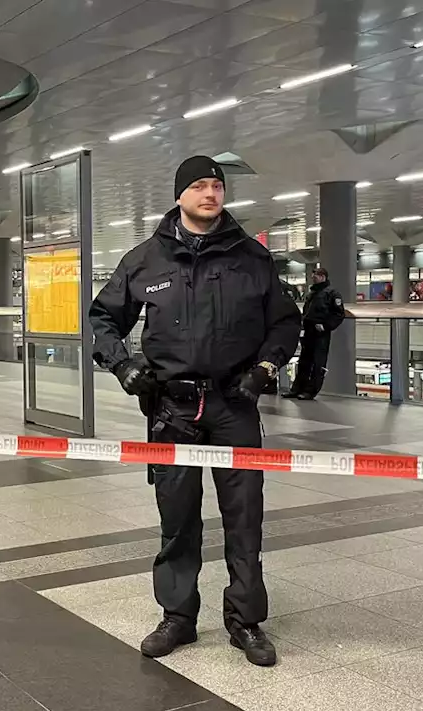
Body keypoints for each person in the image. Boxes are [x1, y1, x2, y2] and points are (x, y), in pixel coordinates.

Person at [89, 155, 301, 667]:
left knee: (244, 516)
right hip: (173, 410)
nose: (211, 194)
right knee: (178, 517)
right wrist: (122, 366)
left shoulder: (251, 258)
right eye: (200, 186)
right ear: (180, 196)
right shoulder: (146, 260)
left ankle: (245, 621)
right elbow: (102, 317)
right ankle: (178, 618)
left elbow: (285, 324)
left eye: (217, 186)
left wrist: (266, 368)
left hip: (235, 404)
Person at [283, 267, 346, 400]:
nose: (313, 278)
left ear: (323, 277)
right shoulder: (311, 294)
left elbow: (339, 314)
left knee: (318, 363)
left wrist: (325, 326)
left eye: (316, 275)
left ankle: (310, 391)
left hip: (320, 334)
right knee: (304, 362)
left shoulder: (332, 293)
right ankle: (297, 389)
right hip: (308, 333)